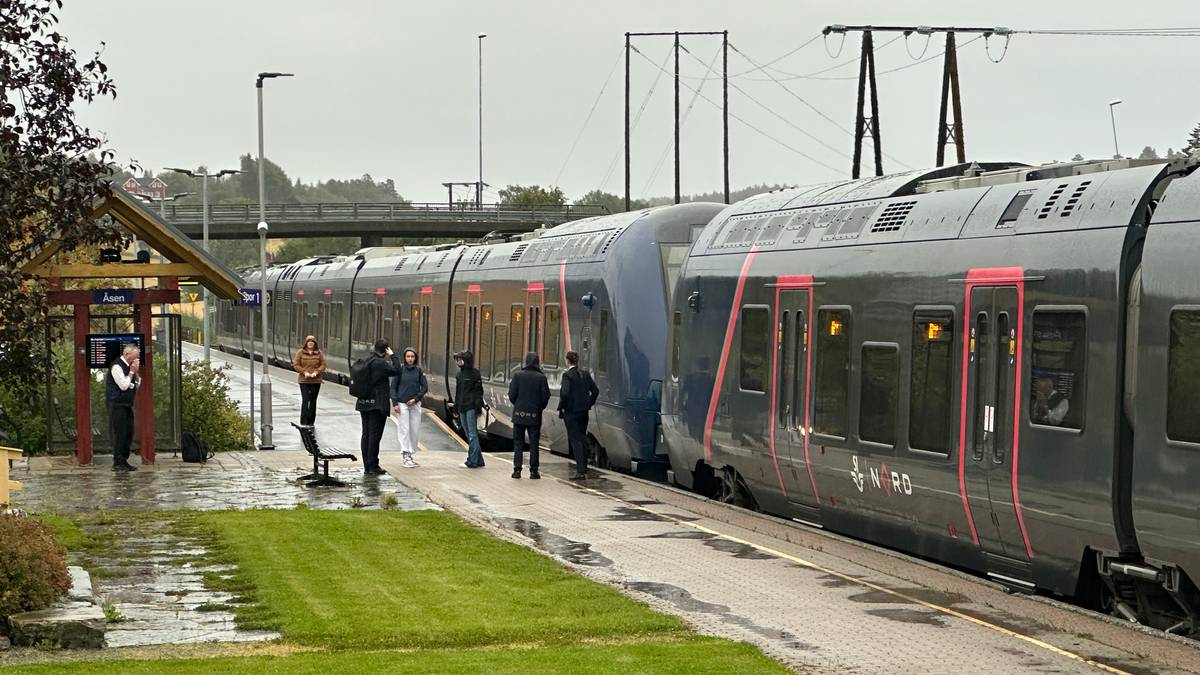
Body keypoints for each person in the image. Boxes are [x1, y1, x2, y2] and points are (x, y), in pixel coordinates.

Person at [355, 339, 403, 475]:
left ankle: (367, 465)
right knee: (375, 436)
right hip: (377, 403)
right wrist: (393, 355)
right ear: (386, 349)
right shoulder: (380, 363)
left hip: (363, 402)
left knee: (366, 434)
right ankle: (373, 466)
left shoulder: (367, 359)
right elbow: (397, 370)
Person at [558, 350, 599, 480]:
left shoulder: (567, 376)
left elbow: (564, 394)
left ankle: (580, 471)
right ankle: (584, 467)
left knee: (575, 440)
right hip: (583, 413)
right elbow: (595, 391)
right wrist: (589, 404)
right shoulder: (585, 374)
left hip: (571, 413)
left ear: (567, 361)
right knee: (582, 438)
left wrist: (562, 408)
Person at [508, 352, 550, 479]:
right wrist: (538, 408)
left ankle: (517, 470)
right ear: (537, 362)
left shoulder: (517, 375)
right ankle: (533, 471)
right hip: (534, 416)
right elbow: (545, 397)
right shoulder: (541, 378)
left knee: (518, 443)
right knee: (534, 444)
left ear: (526, 361)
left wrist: (518, 405)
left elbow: (511, 395)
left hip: (519, 415)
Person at [390, 347, 428, 468]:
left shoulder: (418, 371)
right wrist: (395, 403)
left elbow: (424, 387)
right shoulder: (400, 370)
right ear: (405, 358)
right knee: (404, 429)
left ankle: (411, 454)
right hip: (402, 404)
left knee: (414, 430)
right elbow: (393, 387)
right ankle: (405, 454)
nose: (410, 359)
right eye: (408, 356)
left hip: (415, 404)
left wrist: (416, 399)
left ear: (415, 357)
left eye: (412, 357)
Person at [106, 344, 141, 472]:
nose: (136, 360)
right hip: (117, 404)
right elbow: (124, 385)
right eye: (135, 357)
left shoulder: (129, 368)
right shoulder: (116, 366)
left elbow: (136, 385)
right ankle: (117, 461)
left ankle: (124, 459)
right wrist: (131, 372)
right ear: (127, 354)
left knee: (128, 432)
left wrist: (134, 373)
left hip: (127, 404)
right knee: (120, 433)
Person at [453, 350, 486, 468]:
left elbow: (479, 391)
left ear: (466, 360)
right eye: (457, 359)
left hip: (471, 407)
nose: (458, 361)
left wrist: (477, 407)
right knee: (469, 433)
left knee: (472, 434)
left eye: (460, 359)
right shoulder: (459, 375)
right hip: (462, 407)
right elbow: (457, 393)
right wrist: (455, 408)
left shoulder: (474, 374)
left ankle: (472, 460)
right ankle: (479, 460)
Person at [292, 335, 326, 427]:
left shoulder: (319, 353)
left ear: (315, 343)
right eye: (308, 341)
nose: (310, 343)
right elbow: (296, 364)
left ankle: (311, 422)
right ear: (306, 343)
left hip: (316, 380)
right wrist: (304, 372)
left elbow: (323, 365)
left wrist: (316, 372)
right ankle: (303, 421)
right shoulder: (300, 353)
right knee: (306, 400)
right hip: (304, 380)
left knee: (313, 400)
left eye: (312, 342)